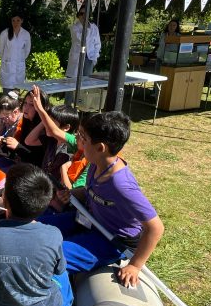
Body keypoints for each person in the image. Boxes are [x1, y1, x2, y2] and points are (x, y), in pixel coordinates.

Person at [41, 112, 164, 288]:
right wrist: (74, 194)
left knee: (49, 256)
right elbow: (90, 190)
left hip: (112, 239)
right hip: (90, 219)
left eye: (82, 137)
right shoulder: (96, 163)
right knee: (36, 226)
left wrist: (135, 265)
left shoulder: (122, 185)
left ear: (100, 148)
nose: (77, 139)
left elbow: (156, 227)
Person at [0, 163, 73, 306]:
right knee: (64, 276)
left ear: (4, 199)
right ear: (46, 203)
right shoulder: (53, 234)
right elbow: (58, 270)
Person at [0, 88, 50, 172]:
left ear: (40, 108)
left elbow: (36, 159)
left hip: (34, 170)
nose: (26, 108)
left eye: (32, 105)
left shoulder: (44, 129)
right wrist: (6, 143)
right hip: (21, 163)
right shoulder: (27, 122)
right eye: (25, 103)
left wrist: (17, 146)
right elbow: (21, 150)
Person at [24, 103, 79, 183]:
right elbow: (29, 141)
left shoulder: (73, 146)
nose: (47, 125)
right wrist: (45, 120)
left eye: (51, 123)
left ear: (66, 127)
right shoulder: (52, 139)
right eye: (48, 121)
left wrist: (41, 111)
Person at [65, 4, 101, 106]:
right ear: (78, 15)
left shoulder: (94, 27)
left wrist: (95, 57)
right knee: (72, 82)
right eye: (81, 13)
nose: (84, 15)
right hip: (77, 59)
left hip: (89, 58)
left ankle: (82, 106)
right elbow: (82, 40)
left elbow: (97, 44)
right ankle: (67, 105)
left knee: (85, 84)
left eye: (86, 13)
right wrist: (86, 27)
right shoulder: (74, 27)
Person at [0, 12, 31, 95]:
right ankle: (6, 107)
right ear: (11, 21)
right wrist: (7, 59)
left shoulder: (26, 34)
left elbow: (27, 50)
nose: (15, 23)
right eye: (13, 20)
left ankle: (16, 107)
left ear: (22, 21)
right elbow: (0, 49)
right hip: (7, 66)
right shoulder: (5, 33)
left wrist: (20, 60)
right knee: (6, 95)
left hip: (19, 66)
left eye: (18, 20)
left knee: (16, 93)